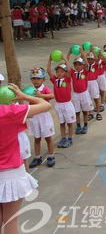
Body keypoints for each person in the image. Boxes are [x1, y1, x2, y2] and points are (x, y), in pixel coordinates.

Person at [0, 84, 52, 234]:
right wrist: (25, 97)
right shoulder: (10, 111)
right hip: (11, 174)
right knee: (11, 220)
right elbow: (45, 104)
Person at [27, 67, 56, 168]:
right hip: (34, 117)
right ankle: (37, 157)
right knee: (37, 138)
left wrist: (41, 95)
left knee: (48, 137)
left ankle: (51, 156)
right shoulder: (30, 90)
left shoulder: (44, 89)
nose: (36, 81)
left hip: (43, 116)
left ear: (43, 79)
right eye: (34, 78)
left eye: (38, 78)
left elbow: (52, 95)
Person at [47, 57, 76, 148]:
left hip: (67, 104)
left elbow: (69, 70)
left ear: (65, 73)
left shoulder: (67, 79)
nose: (59, 73)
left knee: (70, 123)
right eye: (58, 71)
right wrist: (50, 60)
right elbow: (48, 71)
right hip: (59, 104)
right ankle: (63, 138)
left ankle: (70, 138)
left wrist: (66, 60)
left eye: (62, 71)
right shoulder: (55, 80)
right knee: (62, 122)